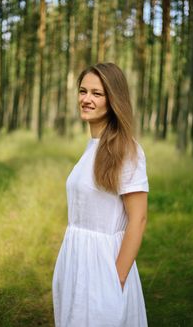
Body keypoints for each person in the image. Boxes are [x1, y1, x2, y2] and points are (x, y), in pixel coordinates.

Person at [52, 62, 149, 327]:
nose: (86, 99)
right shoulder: (91, 148)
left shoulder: (128, 151)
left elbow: (138, 220)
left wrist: (115, 279)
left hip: (104, 266)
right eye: (83, 91)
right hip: (75, 261)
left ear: (113, 99)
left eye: (97, 93)